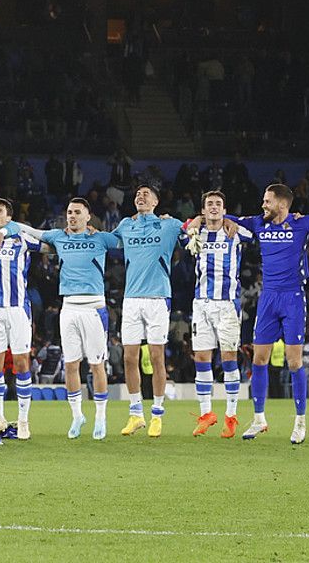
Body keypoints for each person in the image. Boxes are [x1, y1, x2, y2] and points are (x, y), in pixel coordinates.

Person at [219, 184, 309, 443]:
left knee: (294, 361)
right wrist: (198, 219)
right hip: (268, 298)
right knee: (259, 359)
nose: (263, 205)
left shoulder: (303, 223)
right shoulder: (257, 223)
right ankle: (259, 419)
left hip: (293, 298)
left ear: (282, 204)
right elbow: (223, 217)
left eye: (267, 201)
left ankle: (300, 422)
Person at [30, 198, 120, 439]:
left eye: (77, 212)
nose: (72, 216)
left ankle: (100, 417)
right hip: (68, 307)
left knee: (96, 365)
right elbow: (34, 233)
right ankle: (77, 416)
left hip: (94, 308)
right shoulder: (59, 237)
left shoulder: (100, 238)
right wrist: (8, 227)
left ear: (88, 217)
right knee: (70, 364)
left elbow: (125, 239)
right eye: (69, 212)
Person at [112, 185, 183, 438]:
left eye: (146, 194)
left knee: (156, 358)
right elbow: (108, 241)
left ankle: (157, 414)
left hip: (157, 298)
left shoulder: (169, 225)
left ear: (156, 201)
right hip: (131, 299)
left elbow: (194, 226)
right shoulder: (125, 226)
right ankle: (135, 414)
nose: (140, 197)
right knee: (129, 359)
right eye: (137, 195)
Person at [183, 191, 249, 439]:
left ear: (224, 209)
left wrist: (230, 219)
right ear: (203, 209)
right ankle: (206, 414)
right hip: (201, 303)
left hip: (227, 305)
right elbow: (180, 231)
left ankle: (231, 416)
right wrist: (194, 221)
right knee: (201, 357)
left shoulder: (235, 231)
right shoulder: (194, 231)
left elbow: (255, 230)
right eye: (209, 204)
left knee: (229, 359)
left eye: (218, 204)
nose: (213, 207)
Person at [0, 198, 41, 440]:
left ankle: (24, 420)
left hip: (18, 310)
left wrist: (10, 228)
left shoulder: (21, 238)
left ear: (8, 217)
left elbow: (45, 240)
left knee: (21, 363)